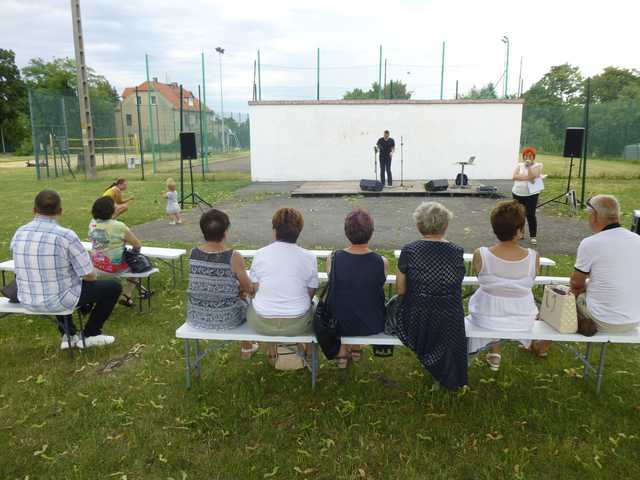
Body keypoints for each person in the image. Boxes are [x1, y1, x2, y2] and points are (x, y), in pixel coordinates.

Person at [10, 190, 121, 349]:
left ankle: (68, 334)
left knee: (58, 280)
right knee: (113, 287)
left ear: (34, 210)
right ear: (60, 211)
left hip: (27, 298)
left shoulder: (19, 232)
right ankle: (91, 334)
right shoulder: (66, 235)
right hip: (57, 298)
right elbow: (89, 275)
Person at [389, 201, 467, 389]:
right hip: (449, 316)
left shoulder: (410, 250)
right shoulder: (457, 252)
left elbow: (400, 290)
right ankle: (444, 372)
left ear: (418, 226)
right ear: (446, 226)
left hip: (417, 317)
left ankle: (435, 365)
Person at [466, 200, 547, 371]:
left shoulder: (480, 254)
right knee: (499, 303)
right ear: (519, 230)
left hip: (485, 317)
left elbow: (480, 278)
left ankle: (495, 353)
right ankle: (495, 353)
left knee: (493, 302)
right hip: (522, 319)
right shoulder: (534, 257)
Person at [186, 209, 258, 358]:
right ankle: (247, 346)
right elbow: (249, 288)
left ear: (203, 231)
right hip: (227, 318)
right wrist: (246, 288)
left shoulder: (193, 253)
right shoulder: (233, 256)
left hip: (196, 316)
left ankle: (247, 346)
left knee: (239, 296)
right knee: (249, 301)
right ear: (225, 232)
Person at [326, 209, 388, 368]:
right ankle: (355, 346)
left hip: (338, 323)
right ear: (371, 232)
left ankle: (343, 349)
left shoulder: (333, 259)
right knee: (360, 299)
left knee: (345, 301)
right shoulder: (382, 262)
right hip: (371, 323)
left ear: (346, 232)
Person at [570, 195, 640, 333]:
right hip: (634, 319)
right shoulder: (637, 239)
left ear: (594, 215)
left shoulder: (591, 243)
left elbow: (576, 284)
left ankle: (540, 346)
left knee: (560, 298)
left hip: (603, 320)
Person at [248, 208, 318, 337]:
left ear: (275, 230)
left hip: (262, 323)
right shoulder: (309, 257)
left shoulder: (260, 254)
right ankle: (308, 352)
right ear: (299, 230)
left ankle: (270, 348)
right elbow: (311, 293)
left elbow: (256, 288)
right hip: (298, 324)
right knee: (315, 304)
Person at [88, 196, 143, 308]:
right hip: (114, 267)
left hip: (96, 265)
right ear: (111, 210)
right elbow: (137, 245)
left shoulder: (92, 224)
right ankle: (126, 295)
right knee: (138, 266)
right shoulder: (120, 226)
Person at [512, 146, 543, 245]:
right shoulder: (519, 165)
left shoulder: (538, 165)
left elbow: (533, 177)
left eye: (530, 156)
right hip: (517, 192)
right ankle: (519, 233)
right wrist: (527, 177)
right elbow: (514, 176)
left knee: (530, 214)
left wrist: (529, 168)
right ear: (523, 156)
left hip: (531, 194)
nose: (528, 158)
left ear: (534, 157)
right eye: (526, 155)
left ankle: (533, 236)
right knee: (518, 214)